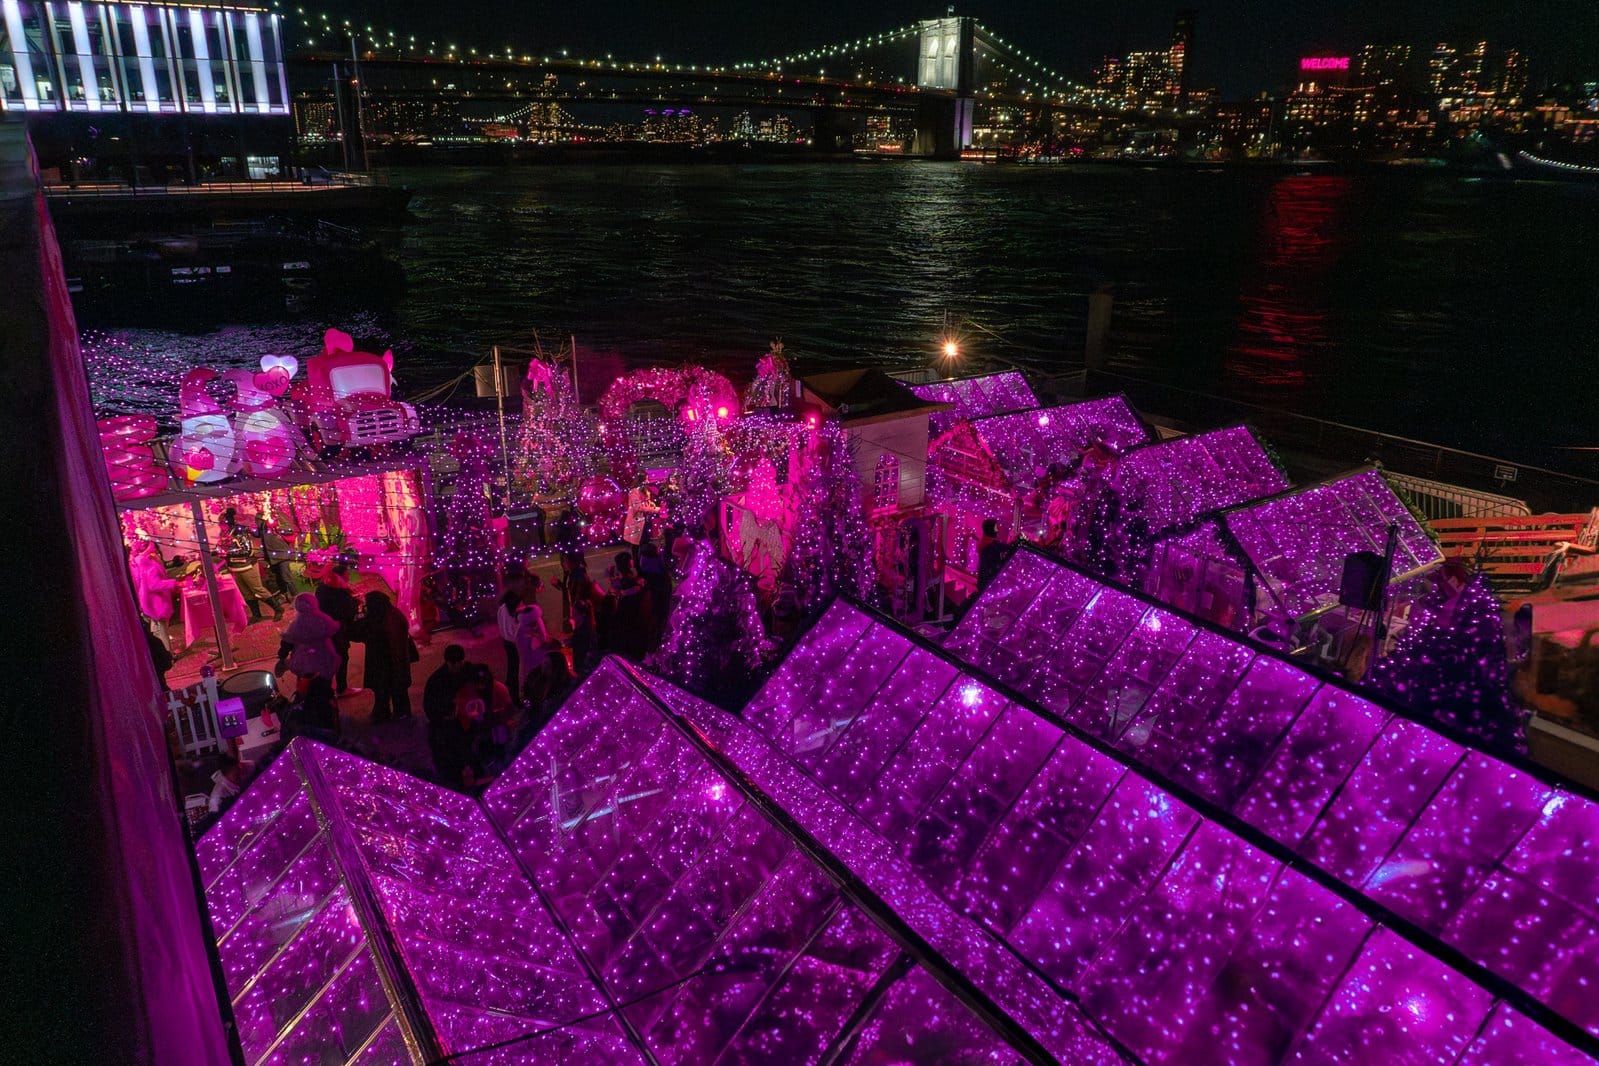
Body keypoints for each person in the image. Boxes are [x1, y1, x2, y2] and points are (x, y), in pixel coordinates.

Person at [354, 590, 414, 723]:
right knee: (392, 689)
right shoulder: (389, 613)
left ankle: (389, 713)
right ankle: (396, 713)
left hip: (386, 660)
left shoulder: (382, 618)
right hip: (388, 660)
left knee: (388, 689)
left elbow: (361, 633)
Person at [220, 511, 281, 622]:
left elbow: (246, 550)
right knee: (246, 592)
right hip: (235, 567)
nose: (220, 525)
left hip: (247, 565)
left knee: (257, 589)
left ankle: (278, 609)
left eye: (222, 522)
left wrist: (227, 552)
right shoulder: (225, 534)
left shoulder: (239, 532)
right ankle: (256, 615)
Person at [424, 643, 471, 774]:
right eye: (458, 664)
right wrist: (447, 714)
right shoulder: (437, 682)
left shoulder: (463, 672)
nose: (461, 666)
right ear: (450, 663)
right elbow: (430, 708)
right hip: (444, 722)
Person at [315, 562, 360, 696]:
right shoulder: (340, 592)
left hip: (323, 630)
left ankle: (328, 688)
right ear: (340, 575)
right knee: (341, 657)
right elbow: (346, 612)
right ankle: (342, 688)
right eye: (346, 573)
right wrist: (355, 603)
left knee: (328, 658)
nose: (348, 576)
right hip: (338, 631)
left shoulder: (322, 588)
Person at [277, 593, 342, 684]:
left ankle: (306, 692)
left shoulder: (296, 624)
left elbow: (287, 641)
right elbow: (334, 628)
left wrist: (282, 655)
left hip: (304, 655)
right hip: (323, 652)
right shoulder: (322, 618)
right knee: (324, 677)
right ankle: (325, 692)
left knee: (306, 679)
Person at [513, 575, 552, 700]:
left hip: (540, 664)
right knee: (533, 689)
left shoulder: (536, 622)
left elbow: (544, 637)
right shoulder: (522, 634)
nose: (537, 623)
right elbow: (533, 650)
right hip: (532, 666)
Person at [607, 552, 649, 659]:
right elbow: (616, 591)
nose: (632, 561)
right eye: (630, 559)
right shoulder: (625, 577)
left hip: (630, 609)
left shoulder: (628, 575)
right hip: (629, 610)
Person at [495, 568, 525, 706]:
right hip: (513, 642)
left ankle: (511, 695)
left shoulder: (506, 600)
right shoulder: (511, 603)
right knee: (516, 670)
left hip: (508, 641)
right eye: (521, 582)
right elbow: (511, 627)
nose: (523, 584)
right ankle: (514, 698)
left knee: (513, 669)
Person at [639, 540, 671, 645]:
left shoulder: (644, 561)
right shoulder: (659, 562)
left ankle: (655, 638)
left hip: (652, 592)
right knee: (662, 614)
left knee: (655, 614)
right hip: (661, 590)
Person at [258, 518, 296, 598]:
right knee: (279, 578)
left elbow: (290, 529)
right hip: (270, 556)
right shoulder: (260, 519)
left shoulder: (277, 515)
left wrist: (277, 527)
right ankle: (285, 596)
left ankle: (297, 598)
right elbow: (259, 534)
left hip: (281, 553)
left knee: (286, 578)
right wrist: (251, 529)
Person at [623, 483, 660, 562]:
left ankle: (644, 562)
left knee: (644, 542)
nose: (647, 481)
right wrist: (653, 510)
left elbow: (645, 503)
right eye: (645, 478)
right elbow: (638, 508)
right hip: (636, 522)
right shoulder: (634, 492)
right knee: (636, 544)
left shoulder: (645, 489)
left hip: (645, 521)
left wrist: (651, 504)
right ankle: (637, 564)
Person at [976, 518, 1010, 592]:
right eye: (995, 528)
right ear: (990, 530)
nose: (997, 530)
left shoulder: (983, 542)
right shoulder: (992, 545)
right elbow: (1007, 547)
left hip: (983, 578)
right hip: (989, 580)